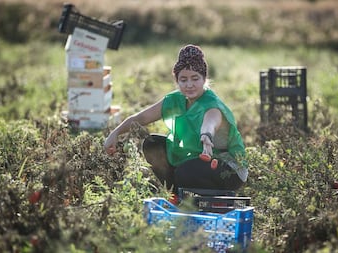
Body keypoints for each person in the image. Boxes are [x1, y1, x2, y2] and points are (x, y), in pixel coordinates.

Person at [103, 44, 248, 202]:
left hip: (228, 168)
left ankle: (205, 201)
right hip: (197, 159)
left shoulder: (212, 105)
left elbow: (210, 122)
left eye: (195, 78)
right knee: (153, 144)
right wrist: (115, 133)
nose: (189, 85)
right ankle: (176, 197)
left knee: (185, 172)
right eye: (183, 80)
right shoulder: (175, 100)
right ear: (177, 80)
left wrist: (207, 137)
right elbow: (141, 119)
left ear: (204, 79)